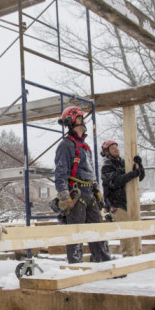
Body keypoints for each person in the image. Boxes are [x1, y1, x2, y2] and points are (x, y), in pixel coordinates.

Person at [54, 106, 111, 264]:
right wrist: (64, 195)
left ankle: (105, 265)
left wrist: (96, 189)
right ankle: (76, 269)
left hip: (89, 193)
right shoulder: (66, 145)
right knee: (76, 235)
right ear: (72, 121)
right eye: (80, 118)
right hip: (76, 194)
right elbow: (60, 172)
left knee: (98, 232)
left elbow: (90, 171)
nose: (84, 122)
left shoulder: (85, 147)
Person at [100, 139, 145, 256]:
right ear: (106, 152)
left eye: (116, 147)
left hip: (129, 202)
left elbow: (139, 177)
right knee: (126, 230)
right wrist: (132, 173)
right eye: (112, 148)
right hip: (116, 204)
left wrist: (140, 166)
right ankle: (128, 256)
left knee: (134, 229)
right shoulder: (106, 167)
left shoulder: (124, 163)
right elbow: (115, 182)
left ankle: (136, 255)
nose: (116, 149)